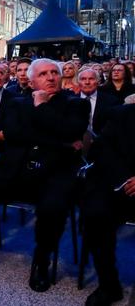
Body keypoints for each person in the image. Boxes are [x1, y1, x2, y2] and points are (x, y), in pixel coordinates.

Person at [0, 59, 90, 293]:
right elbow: (12, 134)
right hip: (14, 168)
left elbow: (71, 130)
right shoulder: (17, 102)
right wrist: (58, 139)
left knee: (53, 207)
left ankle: (41, 262)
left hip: (55, 171)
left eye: (54, 73)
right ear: (31, 81)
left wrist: (41, 108)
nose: (50, 77)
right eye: (43, 74)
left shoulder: (76, 104)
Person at [81, 104, 135, 306]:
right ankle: (109, 285)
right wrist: (125, 179)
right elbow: (101, 149)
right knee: (96, 213)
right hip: (123, 183)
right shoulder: (124, 113)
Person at [78, 68, 119, 137]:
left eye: (91, 79)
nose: (87, 82)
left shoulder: (111, 101)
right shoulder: (69, 100)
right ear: (78, 82)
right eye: (83, 79)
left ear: (98, 82)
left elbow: (114, 126)